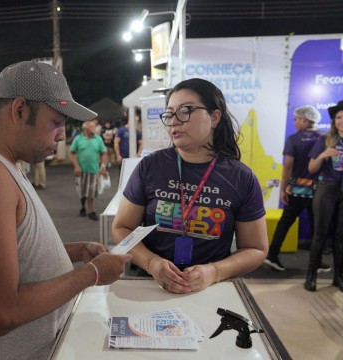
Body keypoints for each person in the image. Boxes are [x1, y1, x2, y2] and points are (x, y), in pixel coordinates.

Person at [0, 60, 131, 360]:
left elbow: (13, 253)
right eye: (55, 122)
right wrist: (92, 273)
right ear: (19, 111)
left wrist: (77, 251)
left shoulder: (3, 163)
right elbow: (3, 312)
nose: (63, 135)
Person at [111, 78, 268, 294]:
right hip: (150, 285)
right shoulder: (150, 167)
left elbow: (255, 248)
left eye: (185, 111)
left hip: (209, 290)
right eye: (169, 114)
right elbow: (122, 228)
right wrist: (152, 263)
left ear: (215, 117)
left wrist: (214, 272)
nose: (174, 121)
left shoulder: (241, 177)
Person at [264, 105, 331, 272]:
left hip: (297, 191)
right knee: (318, 227)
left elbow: (288, 165)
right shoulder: (326, 139)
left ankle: (272, 256)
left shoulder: (294, 139)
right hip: (319, 192)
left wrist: (283, 188)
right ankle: (316, 263)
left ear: (304, 119)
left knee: (284, 223)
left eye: (296, 119)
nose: (294, 123)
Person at [304, 100, 343, 293]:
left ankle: (338, 277)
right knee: (320, 233)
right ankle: (311, 275)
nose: (342, 121)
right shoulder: (325, 139)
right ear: (334, 121)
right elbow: (311, 169)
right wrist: (323, 155)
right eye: (339, 117)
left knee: (341, 236)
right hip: (326, 189)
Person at [69, 120, 108, 220]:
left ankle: (91, 211)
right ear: (85, 128)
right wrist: (76, 166)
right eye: (92, 127)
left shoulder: (98, 139)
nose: (94, 128)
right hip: (80, 170)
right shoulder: (78, 139)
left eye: (95, 126)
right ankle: (83, 208)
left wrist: (103, 166)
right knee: (82, 191)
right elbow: (71, 153)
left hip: (94, 170)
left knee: (91, 191)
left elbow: (103, 153)